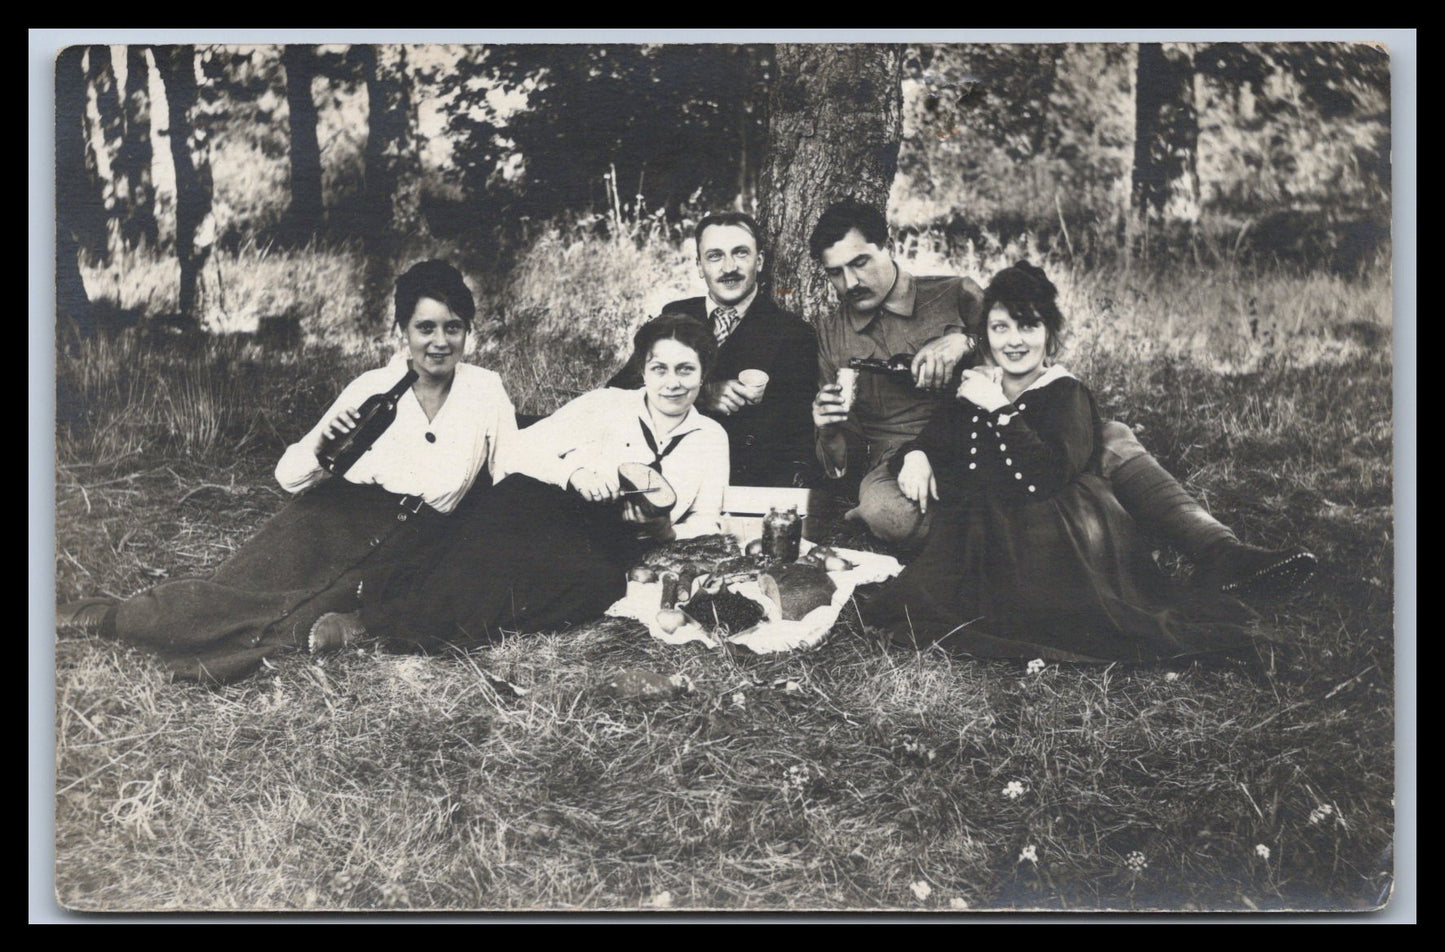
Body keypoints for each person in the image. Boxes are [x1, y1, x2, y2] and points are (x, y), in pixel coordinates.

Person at [809, 198, 1315, 595]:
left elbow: (1018, 339)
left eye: (861, 263)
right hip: (911, 459)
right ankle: (1068, 544)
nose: (850, 282)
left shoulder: (954, 292)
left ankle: (1221, 551)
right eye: (835, 273)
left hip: (993, 426)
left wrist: (964, 338)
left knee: (1110, 438)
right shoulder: (831, 332)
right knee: (886, 512)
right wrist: (829, 426)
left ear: (887, 246)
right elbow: (845, 455)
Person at [55, 260, 518, 683]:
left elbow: (510, 474)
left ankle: (175, 644)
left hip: (407, 542)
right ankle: (112, 617)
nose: (440, 342)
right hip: (330, 520)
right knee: (235, 592)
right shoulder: (372, 388)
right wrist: (321, 446)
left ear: (468, 331)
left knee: (294, 623)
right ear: (402, 330)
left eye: (453, 328)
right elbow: (290, 478)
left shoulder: (485, 391)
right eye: (426, 327)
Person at [862, 263, 1270, 661]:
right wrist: (914, 455)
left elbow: (1046, 474)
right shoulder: (976, 387)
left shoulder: (1064, 393)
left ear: (1050, 334)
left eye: (1028, 327)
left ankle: (1220, 557)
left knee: (1068, 621)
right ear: (984, 335)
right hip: (984, 538)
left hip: (1050, 540)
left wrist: (1000, 410)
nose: (1014, 341)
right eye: (1000, 328)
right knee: (909, 612)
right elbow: (934, 437)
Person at [328, 311, 730, 653]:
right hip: (554, 507)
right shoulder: (606, 404)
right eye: (659, 369)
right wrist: (575, 475)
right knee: (507, 529)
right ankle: (379, 618)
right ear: (643, 370)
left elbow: (708, 520)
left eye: (685, 370)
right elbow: (518, 449)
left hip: (614, 545)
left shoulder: (711, 438)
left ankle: (427, 630)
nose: (672, 383)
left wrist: (666, 529)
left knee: (594, 586)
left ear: (703, 373)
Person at [607, 212, 817, 487]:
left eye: (740, 253)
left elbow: (797, 430)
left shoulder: (791, 333)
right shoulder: (676, 313)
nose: (729, 268)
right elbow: (619, 390)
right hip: (653, 461)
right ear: (699, 265)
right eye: (715, 256)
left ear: (760, 260)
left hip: (731, 476)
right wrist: (701, 395)